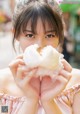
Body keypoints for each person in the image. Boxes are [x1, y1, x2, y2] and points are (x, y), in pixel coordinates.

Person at [0, 0, 80, 114]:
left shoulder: (76, 83)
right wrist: (31, 100)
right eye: (30, 35)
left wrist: (48, 101)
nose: (40, 45)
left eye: (49, 35)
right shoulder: (2, 84)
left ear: (60, 36)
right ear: (16, 34)